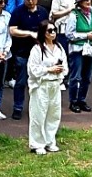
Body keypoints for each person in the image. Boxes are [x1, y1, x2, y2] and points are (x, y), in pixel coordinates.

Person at [8, 0, 50, 120]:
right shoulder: (18, 12)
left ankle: (36, 107)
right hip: (22, 52)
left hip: (39, 53)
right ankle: (18, 107)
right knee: (21, 82)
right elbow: (12, 30)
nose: (31, 1)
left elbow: (48, 29)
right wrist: (29, 33)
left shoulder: (43, 12)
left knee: (39, 81)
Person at [27, 20, 67, 155]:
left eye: (54, 30)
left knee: (54, 114)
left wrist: (59, 70)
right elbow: (33, 69)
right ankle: (37, 143)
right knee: (39, 114)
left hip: (55, 84)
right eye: (50, 31)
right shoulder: (37, 49)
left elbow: (65, 67)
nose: (53, 33)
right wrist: (49, 69)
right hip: (41, 85)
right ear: (43, 33)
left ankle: (50, 141)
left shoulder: (59, 48)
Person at [60, 0, 92, 113]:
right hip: (77, 49)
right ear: (79, 2)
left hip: (90, 48)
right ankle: (73, 101)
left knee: (87, 77)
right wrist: (85, 35)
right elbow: (69, 34)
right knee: (75, 76)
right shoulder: (74, 15)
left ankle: (82, 100)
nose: (88, 1)